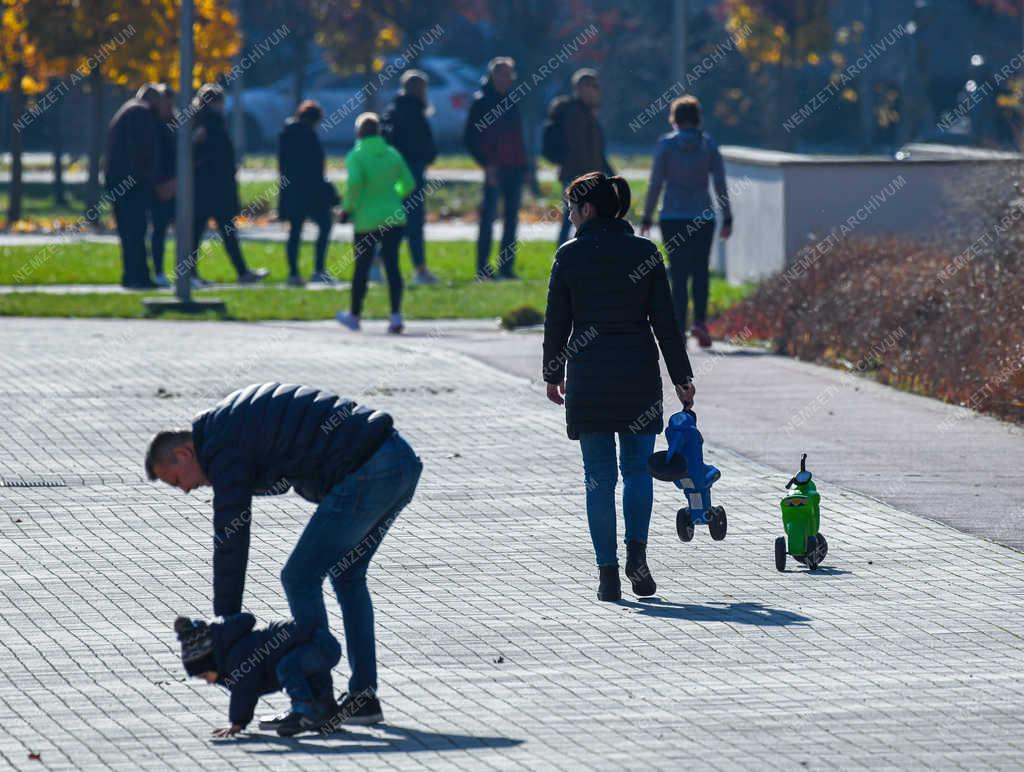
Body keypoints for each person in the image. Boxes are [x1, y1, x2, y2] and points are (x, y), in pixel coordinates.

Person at [146, 382, 423, 726]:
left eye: (176, 481)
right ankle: (362, 700)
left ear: (185, 454)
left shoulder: (222, 447)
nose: (186, 490)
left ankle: (316, 700)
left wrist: (226, 628)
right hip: (399, 460)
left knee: (299, 576)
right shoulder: (226, 426)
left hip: (369, 469)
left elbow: (231, 538)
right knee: (347, 575)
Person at [543, 173, 695, 602]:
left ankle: (607, 575)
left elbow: (557, 322)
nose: (570, 216)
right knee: (637, 472)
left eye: (572, 208)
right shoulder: (645, 253)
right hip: (637, 376)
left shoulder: (569, 257)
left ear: (587, 210)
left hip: (589, 377)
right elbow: (665, 322)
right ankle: (638, 558)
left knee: (598, 478)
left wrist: (553, 373)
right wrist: (682, 377)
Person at [640, 95, 732, 349]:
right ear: (698, 119)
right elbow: (721, 184)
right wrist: (727, 216)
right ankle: (700, 322)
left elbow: (656, 183)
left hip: (672, 217)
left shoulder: (665, 146)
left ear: (674, 119)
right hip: (703, 216)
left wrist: (647, 215)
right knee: (700, 270)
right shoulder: (709, 145)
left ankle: (678, 328)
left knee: (678, 273)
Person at [175, 613, 341, 737]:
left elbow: (245, 689)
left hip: (319, 646)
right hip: (318, 645)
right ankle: (325, 711)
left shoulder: (237, 657)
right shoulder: (228, 660)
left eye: (204, 675)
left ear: (210, 661)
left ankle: (304, 711)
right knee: (300, 672)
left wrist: (237, 723)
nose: (208, 682)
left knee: (287, 668)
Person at [335, 113, 415, 334]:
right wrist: (392, 196)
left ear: (358, 133)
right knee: (392, 265)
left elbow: (355, 184)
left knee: (362, 267)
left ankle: (354, 314)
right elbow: (408, 183)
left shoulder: (356, 156)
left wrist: (347, 209)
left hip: (366, 219)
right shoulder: (392, 154)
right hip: (394, 216)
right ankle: (396, 315)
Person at [190, 84, 268, 287]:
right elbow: (219, 157)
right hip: (215, 187)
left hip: (203, 188)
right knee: (224, 232)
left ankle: (191, 273)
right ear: (216, 103)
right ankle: (240, 272)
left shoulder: (198, 123)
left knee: (199, 232)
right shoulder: (212, 124)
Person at [463, 57, 527, 280]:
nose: (506, 78)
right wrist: (486, 164)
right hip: (494, 169)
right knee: (488, 220)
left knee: (511, 220)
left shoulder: (512, 100)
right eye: (502, 73)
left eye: (509, 74)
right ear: (492, 76)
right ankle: (483, 268)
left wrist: (524, 166)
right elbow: (470, 138)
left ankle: (506, 268)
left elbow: (517, 137)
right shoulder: (481, 101)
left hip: (514, 168)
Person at [104, 84, 171, 289]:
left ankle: (132, 275)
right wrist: (151, 180)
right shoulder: (141, 113)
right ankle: (139, 277)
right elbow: (144, 151)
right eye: (162, 102)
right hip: (131, 184)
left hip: (120, 181)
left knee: (129, 231)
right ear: (153, 100)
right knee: (135, 230)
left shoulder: (130, 111)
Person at [382, 70, 439, 285]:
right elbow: (425, 144)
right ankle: (420, 269)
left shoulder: (392, 111)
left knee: (393, 220)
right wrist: (429, 156)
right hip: (413, 172)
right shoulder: (416, 112)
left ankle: (379, 262)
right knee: (414, 221)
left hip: (394, 175)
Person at [545, 69, 613, 245]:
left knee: (580, 220)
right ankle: (566, 257)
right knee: (573, 219)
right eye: (589, 86)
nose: (594, 90)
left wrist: (609, 173)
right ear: (578, 88)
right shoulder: (575, 113)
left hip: (586, 176)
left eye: (595, 86)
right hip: (577, 177)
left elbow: (596, 151)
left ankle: (576, 256)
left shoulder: (588, 113)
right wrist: (591, 178)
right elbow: (578, 150)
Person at [277, 100, 338, 286]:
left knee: (295, 231)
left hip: (292, 190)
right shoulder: (309, 136)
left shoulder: (286, 135)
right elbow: (315, 168)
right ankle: (319, 269)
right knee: (325, 225)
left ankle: (293, 273)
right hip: (311, 191)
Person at [149, 83, 176, 288]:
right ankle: (158, 271)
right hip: (160, 187)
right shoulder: (154, 125)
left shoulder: (173, 125)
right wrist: (161, 183)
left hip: (174, 185)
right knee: (159, 231)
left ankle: (187, 272)